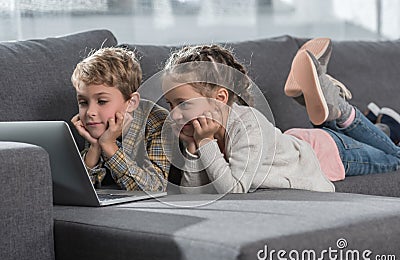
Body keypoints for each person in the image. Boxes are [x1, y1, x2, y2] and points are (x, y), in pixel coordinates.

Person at [162, 40, 400, 194]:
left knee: (396, 159)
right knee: (390, 147)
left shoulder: (248, 124)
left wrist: (205, 143)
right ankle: (386, 126)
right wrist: (193, 149)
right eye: (170, 104)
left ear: (220, 98)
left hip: (329, 154)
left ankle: (339, 109)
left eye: (182, 103)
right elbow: (192, 196)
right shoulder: (203, 133)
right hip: (300, 143)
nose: (174, 113)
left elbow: (233, 192)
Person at [71, 47, 171, 192]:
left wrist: (109, 145)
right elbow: (77, 191)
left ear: (131, 102)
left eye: (102, 101)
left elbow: (155, 188)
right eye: (83, 103)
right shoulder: (97, 123)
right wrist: (95, 147)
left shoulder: (159, 123)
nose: (90, 112)